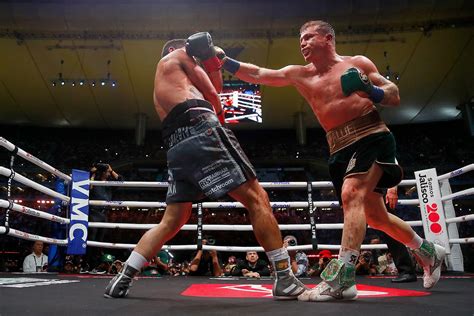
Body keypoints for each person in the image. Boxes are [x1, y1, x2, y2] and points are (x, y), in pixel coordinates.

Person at [217, 20, 446, 301]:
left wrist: (371, 92)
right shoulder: (299, 74)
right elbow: (260, 74)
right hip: (337, 148)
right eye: (300, 39)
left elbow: (394, 95)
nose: (302, 43)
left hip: (370, 134)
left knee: (353, 194)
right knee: (375, 215)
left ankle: (343, 278)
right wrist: (223, 60)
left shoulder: (356, 63)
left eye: (309, 37)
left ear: (327, 38)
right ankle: (429, 252)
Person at [104, 32, 307, 299]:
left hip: (176, 145)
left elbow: (213, 87)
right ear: (177, 49)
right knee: (258, 198)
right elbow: (213, 95)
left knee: (173, 220)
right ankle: (284, 278)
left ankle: (123, 277)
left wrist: (213, 64)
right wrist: (220, 121)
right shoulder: (177, 55)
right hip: (202, 129)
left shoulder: (168, 82)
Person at [84, 163, 123, 273]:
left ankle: (94, 266)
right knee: (91, 240)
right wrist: (94, 170)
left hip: (104, 214)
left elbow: (120, 180)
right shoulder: (93, 181)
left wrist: (111, 170)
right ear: (101, 173)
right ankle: (86, 265)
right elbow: (83, 181)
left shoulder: (109, 184)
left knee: (100, 242)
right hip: (94, 213)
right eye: (106, 172)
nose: (108, 173)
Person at [381, 186, 417, 282]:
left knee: (389, 226)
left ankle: (425, 248)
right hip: (362, 188)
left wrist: (392, 186)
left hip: (377, 188)